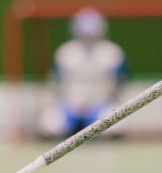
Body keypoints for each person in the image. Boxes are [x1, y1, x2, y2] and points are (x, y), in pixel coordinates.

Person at [40, 7, 126, 139]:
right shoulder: (65, 52)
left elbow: (120, 82)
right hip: (70, 107)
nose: (88, 39)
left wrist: (111, 101)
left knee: (115, 127)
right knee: (49, 125)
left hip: (100, 105)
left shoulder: (113, 53)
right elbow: (54, 82)